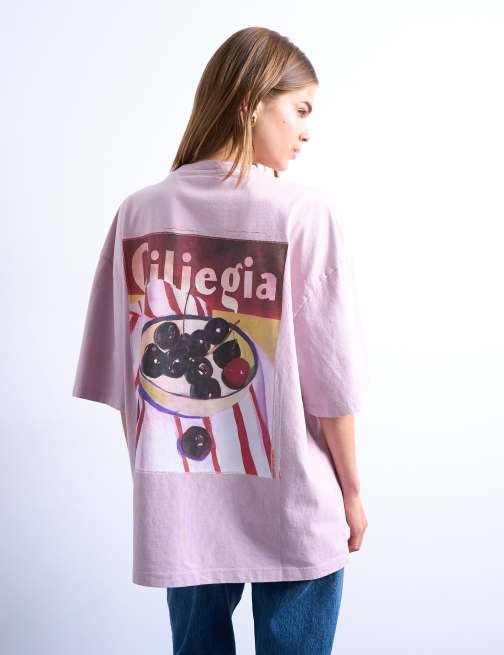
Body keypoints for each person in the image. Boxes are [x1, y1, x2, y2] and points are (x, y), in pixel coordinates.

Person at [72, 25, 369, 655]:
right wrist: (352, 491)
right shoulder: (302, 213)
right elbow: (333, 383)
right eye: (301, 110)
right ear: (252, 102)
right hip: (294, 499)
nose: (307, 132)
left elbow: (126, 376)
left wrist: (163, 484)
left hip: (182, 511)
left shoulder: (139, 213)